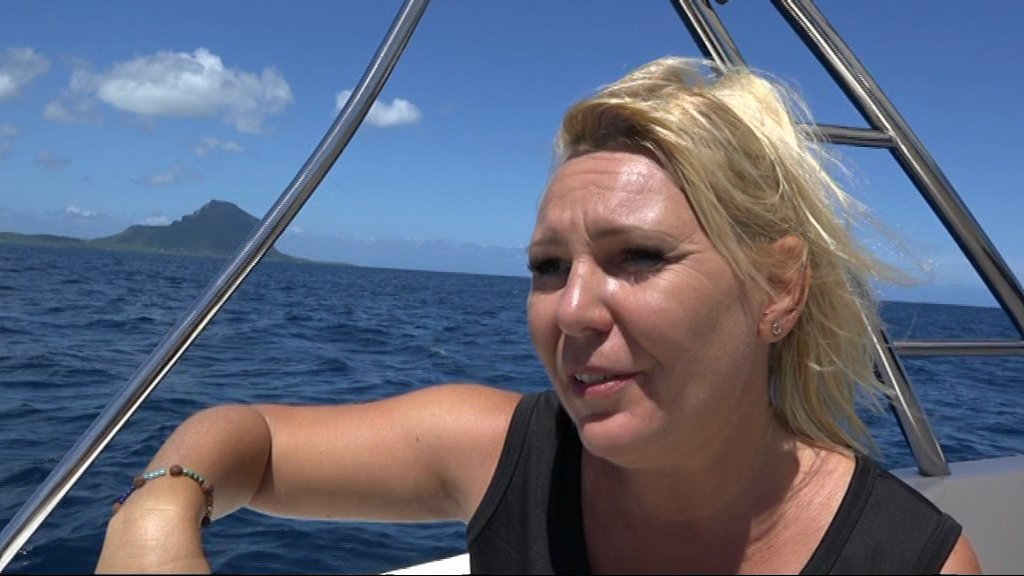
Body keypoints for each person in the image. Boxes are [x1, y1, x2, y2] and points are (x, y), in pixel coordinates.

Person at [95, 56, 982, 575]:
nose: (573, 309)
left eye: (638, 257)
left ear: (779, 289)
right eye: (548, 268)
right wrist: (159, 508)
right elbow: (249, 440)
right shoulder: (500, 453)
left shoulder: (911, 561)